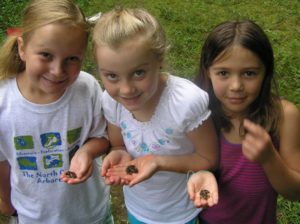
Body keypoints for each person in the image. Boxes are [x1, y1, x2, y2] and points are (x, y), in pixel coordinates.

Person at [92, 7, 219, 224]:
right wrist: (118, 153)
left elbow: (208, 159)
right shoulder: (112, 101)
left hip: (180, 210)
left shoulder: (184, 102)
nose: (126, 89)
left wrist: (158, 162)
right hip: (138, 208)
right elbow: (118, 144)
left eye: (138, 73)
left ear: (159, 59)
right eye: (112, 76)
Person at [0, 0, 114, 223]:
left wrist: (87, 152)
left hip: (92, 214)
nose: (57, 71)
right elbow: (2, 162)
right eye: (45, 55)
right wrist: (6, 201)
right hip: (34, 216)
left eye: (72, 59)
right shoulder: (4, 102)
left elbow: (103, 137)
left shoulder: (87, 88)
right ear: (23, 48)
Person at [188, 20, 300, 223]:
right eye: (223, 73)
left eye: (249, 73)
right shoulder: (198, 115)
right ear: (208, 72)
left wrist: (269, 159)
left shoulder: (283, 116)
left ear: (266, 72)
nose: (236, 86)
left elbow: (295, 192)